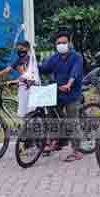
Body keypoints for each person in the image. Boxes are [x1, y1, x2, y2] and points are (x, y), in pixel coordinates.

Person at [38, 31, 85, 161]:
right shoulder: (55, 58)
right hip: (57, 92)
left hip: (72, 93)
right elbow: (44, 69)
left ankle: (76, 151)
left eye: (64, 42)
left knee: (72, 121)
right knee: (51, 116)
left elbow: (75, 73)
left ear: (69, 43)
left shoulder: (77, 57)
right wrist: (30, 67)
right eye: (58, 43)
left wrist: (69, 84)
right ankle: (56, 141)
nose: (61, 45)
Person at [0, 41, 36, 118]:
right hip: (23, 89)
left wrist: (15, 81)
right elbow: (5, 71)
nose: (20, 51)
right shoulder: (19, 60)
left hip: (33, 89)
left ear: (28, 48)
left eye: (22, 49)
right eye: (18, 49)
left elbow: (31, 76)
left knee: (31, 114)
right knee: (23, 116)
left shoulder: (32, 60)